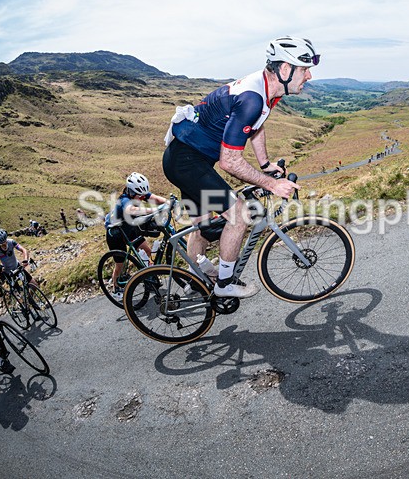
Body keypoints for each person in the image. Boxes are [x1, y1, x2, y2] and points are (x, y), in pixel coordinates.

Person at [162, 36, 316, 298]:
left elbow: (257, 127)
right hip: (186, 162)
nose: (309, 76)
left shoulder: (266, 90)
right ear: (285, 70)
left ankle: (197, 283)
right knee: (239, 215)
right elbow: (229, 161)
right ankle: (224, 284)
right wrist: (271, 183)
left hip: (187, 158)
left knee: (204, 228)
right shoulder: (252, 98)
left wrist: (265, 165)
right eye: (304, 69)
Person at [103, 172, 169, 299]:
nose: (142, 198)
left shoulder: (139, 194)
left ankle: (147, 277)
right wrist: (155, 210)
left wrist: (167, 203)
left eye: (143, 195)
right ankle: (116, 288)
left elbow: (154, 198)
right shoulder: (124, 200)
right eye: (139, 196)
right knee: (120, 264)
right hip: (115, 234)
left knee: (148, 251)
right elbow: (132, 210)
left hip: (129, 229)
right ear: (131, 192)